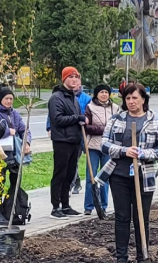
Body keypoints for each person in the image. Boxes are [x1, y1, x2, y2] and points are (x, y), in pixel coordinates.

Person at [97, 83, 158, 263]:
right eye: (128, 98)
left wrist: (143, 154)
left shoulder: (156, 120)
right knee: (121, 216)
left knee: (141, 217)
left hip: (144, 175)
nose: (131, 102)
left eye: (135, 98)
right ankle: (121, 259)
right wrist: (124, 151)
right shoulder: (116, 119)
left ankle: (143, 258)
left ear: (143, 99)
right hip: (118, 174)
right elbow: (104, 144)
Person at [0, 86, 31, 225]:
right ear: (0, 99)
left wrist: (27, 142)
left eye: (11, 99)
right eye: (6, 99)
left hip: (14, 154)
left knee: (15, 182)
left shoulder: (14, 113)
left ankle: (12, 210)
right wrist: (9, 131)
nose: (9, 101)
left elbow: (24, 129)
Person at [48, 67, 85, 217]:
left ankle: (65, 205)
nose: (74, 80)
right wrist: (77, 118)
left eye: (76, 77)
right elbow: (57, 119)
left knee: (70, 174)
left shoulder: (73, 98)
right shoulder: (56, 98)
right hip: (62, 140)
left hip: (74, 140)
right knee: (60, 174)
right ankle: (55, 206)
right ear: (64, 79)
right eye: (71, 77)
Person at [83, 84, 118, 215]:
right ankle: (88, 206)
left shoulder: (115, 108)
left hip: (108, 147)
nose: (104, 94)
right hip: (93, 146)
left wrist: (106, 131)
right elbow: (87, 127)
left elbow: (118, 126)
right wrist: (104, 130)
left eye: (106, 92)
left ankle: (103, 205)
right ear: (96, 94)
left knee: (105, 177)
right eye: (101, 92)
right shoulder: (90, 107)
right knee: (90, 176)